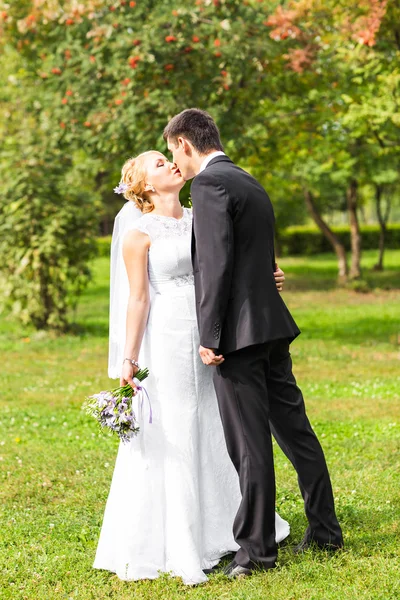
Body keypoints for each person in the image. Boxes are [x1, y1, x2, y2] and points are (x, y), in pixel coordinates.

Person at [93, 150, 289, 585]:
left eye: (169, 158)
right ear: (143, 186)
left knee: (217, 424)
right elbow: (138, 299)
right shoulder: (138, 235)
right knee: (179, 426)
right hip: (167, 338)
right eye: (159, 164)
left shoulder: (203, 213)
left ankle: (227, 527)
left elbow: (228, 264)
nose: (171, 164)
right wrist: (128, 360)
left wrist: (266, 277)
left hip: (212, 332)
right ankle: (183, 538)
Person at [164, 108, 344, 579]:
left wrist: (210, 336)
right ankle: (325, 531)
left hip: (239, 338)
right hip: (271, 328)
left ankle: (257, 552)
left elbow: (216, 264)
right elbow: (257, 249)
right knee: (297, 433)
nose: (176, 166)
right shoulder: (246, 179)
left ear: (185, 143)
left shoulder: (207, 185)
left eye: (173, 154)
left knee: (249, 447)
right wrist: (270, 277)